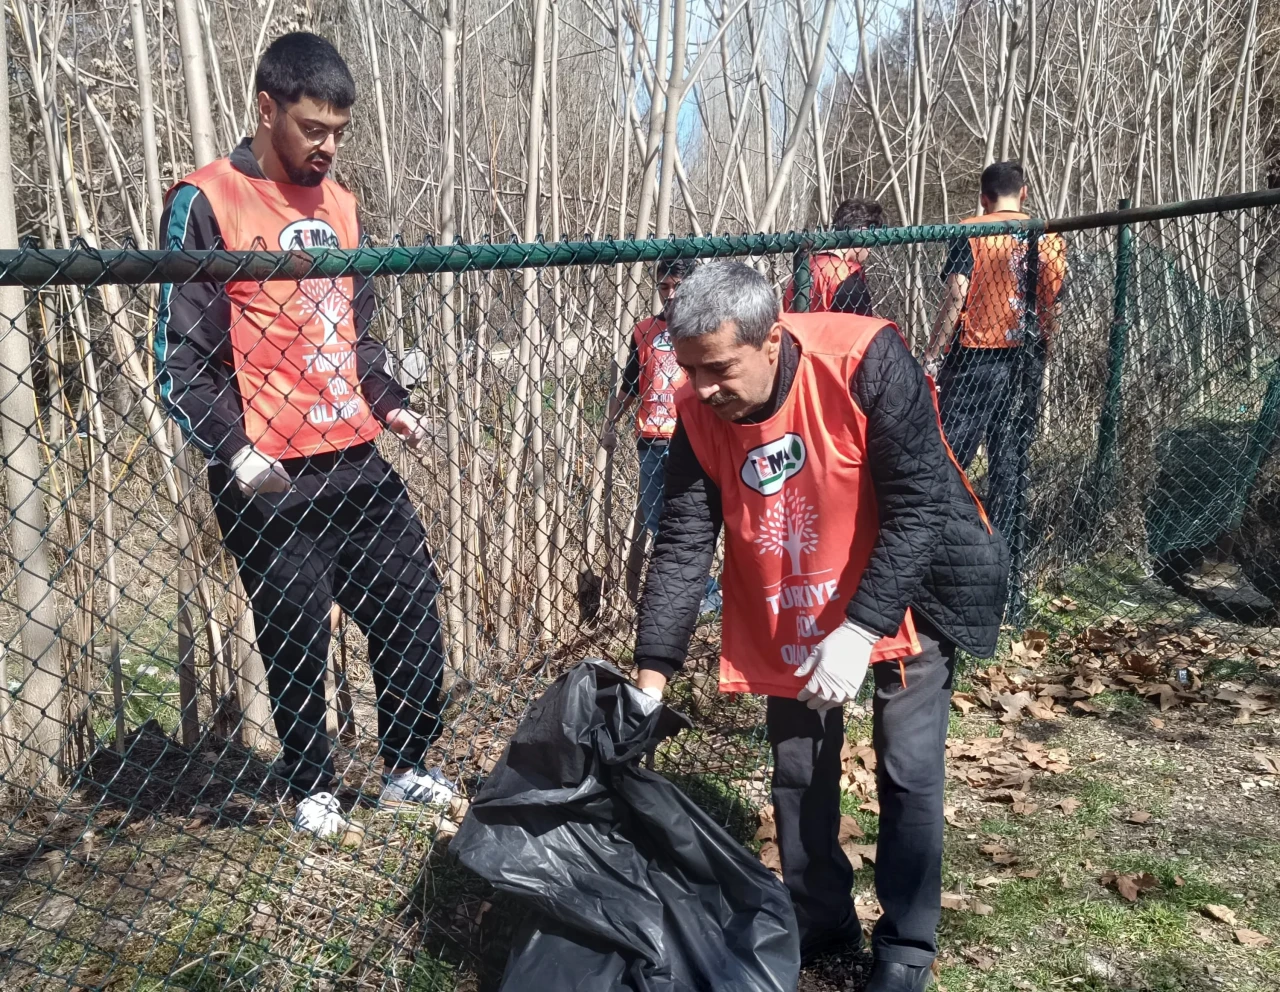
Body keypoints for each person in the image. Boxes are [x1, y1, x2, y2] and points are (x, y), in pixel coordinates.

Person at [634, 261, 1008, 991]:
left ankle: (905, 947)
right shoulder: (697, 408)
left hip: (908, 583)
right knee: (799, 767)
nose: (702, 390)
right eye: (688, 370)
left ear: (770, 339)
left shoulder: (864, 361)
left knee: (907, 766)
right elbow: (683, 543)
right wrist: (651, 680)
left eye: (717, 369)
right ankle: (821, 917)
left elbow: (921, 507)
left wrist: (861, 628)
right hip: (797, 590)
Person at [154, 32, 454, 842]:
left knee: (412, 611)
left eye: (339, 133)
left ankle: (406, 768)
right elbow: (182, 359)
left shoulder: (343, 205)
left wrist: (388, 400)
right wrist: (236, 449)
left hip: (354, 457)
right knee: (294, 631)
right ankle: (312, 787)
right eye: (314, 128)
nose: (327, 147)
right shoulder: (209, 198)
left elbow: (354, 335)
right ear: (266, 107)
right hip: (270, 474)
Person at [923, 160, 1067, 540]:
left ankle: (940, 534)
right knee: (1011, 453)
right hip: (1028, 352)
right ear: (1024, 194)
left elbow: (957, 294)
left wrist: (934, 353)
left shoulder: (971, 232)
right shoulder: (1048, 236)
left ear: (985, 198)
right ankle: (1005, 543)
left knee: (954, 450)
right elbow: (1055, 298)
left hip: (978, 352)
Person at [783, 197, 884, 315]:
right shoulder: (845, 276)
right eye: (872, 241)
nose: (870, 249)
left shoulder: (803, 269)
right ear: (863, 232)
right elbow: (862, 330)